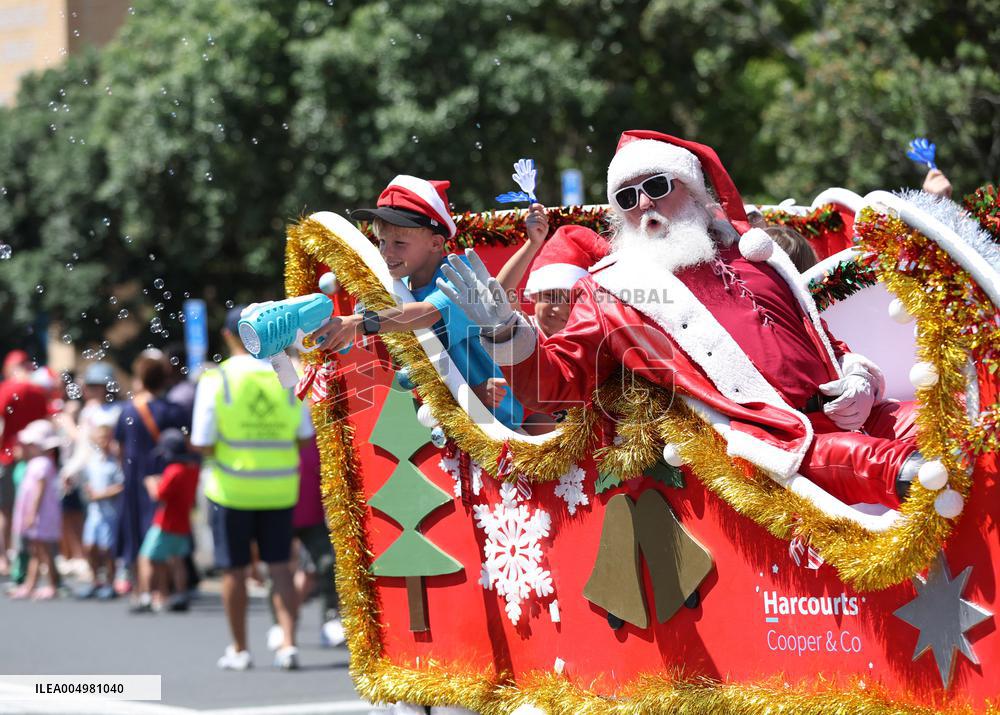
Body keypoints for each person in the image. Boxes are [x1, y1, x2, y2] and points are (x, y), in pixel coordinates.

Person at [441, 130, 923, 511]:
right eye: (626, 198)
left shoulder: (754, 254)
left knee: (945, 426)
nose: (643, 204)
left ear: (691, 190)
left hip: (849, 412)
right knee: (907, 470)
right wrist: (504, 330)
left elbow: (823, 340)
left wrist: (859, 381)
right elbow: (555, 385)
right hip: (773, 445)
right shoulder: (611, 291)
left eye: (655, 187)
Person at [314, 175, 527, 431]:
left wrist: (359, 323)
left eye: (399, 243)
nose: (386, 252)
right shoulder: (397, 288)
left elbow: (427, 313)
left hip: (499, 429)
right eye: (382, 241)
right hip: (441, 427)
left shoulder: (459, 273)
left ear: (436, 243)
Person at [191, 306, 315, 671]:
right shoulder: (286, 373)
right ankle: (288, 645)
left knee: (234, 571)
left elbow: (202, 441)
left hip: (231, 490)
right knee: (280, 567)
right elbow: (304, 436)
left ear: (229, 336)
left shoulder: (217, 378)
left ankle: (240, 649)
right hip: (279, 487)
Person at [115, 351, 189, 593]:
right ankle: (163, 590)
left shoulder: (128, 410)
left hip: (135, 480)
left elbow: (119, 449)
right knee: (161, 531)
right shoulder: (174, 410)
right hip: (165, 481)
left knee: (136, 531)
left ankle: (141, 589)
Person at [266, 433, 344, 652]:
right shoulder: (275, 441)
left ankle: (330, 619)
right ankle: (278, 625)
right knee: (278, 570)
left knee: (327, 564)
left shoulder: (316, 438)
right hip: (280, 515)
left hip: (313, 519)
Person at [132, 428, 200, 614]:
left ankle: (146, 597)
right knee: (177, 560)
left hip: (165, 523)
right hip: (183, 523)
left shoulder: (173, 470)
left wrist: (150, 482)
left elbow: (158, 495)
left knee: (146, 557)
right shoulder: (192, 469)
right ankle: (180, 594)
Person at [0, 351, 49, 577]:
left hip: (7, 457)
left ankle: (4, 558)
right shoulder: (38, 391)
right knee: (30, 509)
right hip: (33, 458)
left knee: (4, 511)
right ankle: (32, 561)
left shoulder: (7, 389)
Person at [8, 420, 62, 600]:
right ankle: (30, 584)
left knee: (44, 551)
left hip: (41, 514)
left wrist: (31, 513)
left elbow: (39, 490)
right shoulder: (36, 463)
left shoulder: (42, 463)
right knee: (37, 551)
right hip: (38, 514)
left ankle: (52, 584)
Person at [77, 419, 124, 600]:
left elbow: (121, 486)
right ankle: (95, 580)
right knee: (89, 547)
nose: (102, 442)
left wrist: (102, 494)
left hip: (110, 513)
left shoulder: (115, 462)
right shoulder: (92, 461)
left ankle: (110, 582)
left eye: (105, 438)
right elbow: (86, 482)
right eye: (99, 438)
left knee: (107, 549)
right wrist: (88, 490)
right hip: (94, 512)